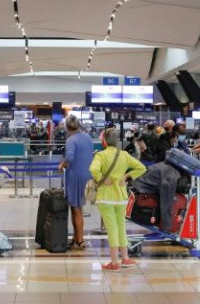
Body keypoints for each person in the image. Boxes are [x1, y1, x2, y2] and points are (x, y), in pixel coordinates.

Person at [89, 128, 146, 271]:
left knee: (112, 229)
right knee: (121, 227)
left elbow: (93, 169)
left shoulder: (101, 155)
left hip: (106, 198)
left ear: (104, 141)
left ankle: (114, 262)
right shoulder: (124, 155)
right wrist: (126, 177)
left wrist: (102, 178)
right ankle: (125, 258)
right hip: (121, 197)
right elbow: (141, 168)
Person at [57, 115, 93, 251]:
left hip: (75, 176)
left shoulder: (71, 140)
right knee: (78, 207)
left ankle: (80, 240)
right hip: (87, 175)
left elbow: (70, 157)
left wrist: (62, 165)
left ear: (67, 127)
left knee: (76, 208)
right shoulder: (88, 137)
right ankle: (76, 237)